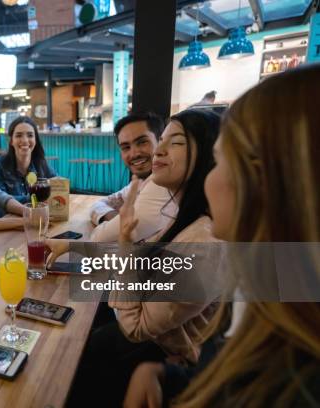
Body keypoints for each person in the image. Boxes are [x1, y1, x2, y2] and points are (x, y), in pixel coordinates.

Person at [126, 66, 320, 408]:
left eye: (220, 162)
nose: (151, 153)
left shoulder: (294, 382)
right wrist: (164, 375)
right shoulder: (269, 290)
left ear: (273, 181)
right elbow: (219, 370)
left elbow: (137, 326)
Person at [63, 109, 222, 407]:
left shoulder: (202, 241)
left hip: (164, 354)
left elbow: (135, 329)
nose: (157, 151)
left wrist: (123, 243)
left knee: (72, 350)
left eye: (174, 142)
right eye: (161, 140)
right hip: (156, 335)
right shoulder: (179, 211)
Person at [90, 112, 176, 243]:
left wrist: (114, 223)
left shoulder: (161, 185)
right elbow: (99, 203)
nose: (134, 153)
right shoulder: (140, 181)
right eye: (126, 147)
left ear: (161, 141)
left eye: (142, 142)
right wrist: (116, 219)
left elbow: (98, 239)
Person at [0, 116, 56, 217]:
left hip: (36, 219)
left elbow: (57, 183)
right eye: (19, 135)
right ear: (11, 140)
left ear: (36, 140)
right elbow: (0, 200)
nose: (25, 140)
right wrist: (34, 198)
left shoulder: (40, 163)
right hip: (6, 224)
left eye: (30, 135)